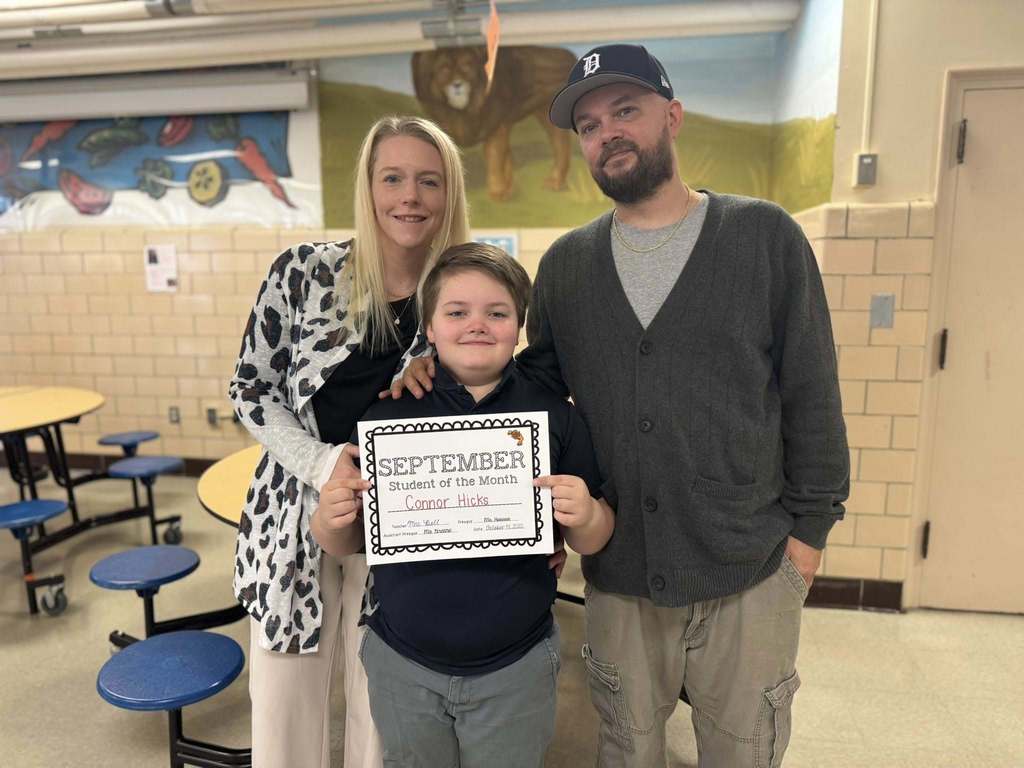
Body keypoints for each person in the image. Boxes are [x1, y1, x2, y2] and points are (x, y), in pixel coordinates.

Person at [398, 44, 850, 767]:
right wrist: (441, 363)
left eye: (625, 111)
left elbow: (812, 391)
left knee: (743, 749)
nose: (606, 132)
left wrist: (811, 535)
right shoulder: (568, 266)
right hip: (621, 573)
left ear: (672, 117)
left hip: (751, 565)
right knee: (627, 748)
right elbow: (532, 392)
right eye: (587, 125)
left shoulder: (764, 237)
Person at [228, 115, 470, 768]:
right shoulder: (304, 273)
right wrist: (323, 462)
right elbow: (250, 390)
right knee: (283, 717)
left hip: (404, 531)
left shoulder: (460, 295)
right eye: (392, 178)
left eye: (428, 181)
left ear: (450, 194)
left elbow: (487, 404)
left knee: (385, 716)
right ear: (367, 187)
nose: (409, 198)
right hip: (293, 522)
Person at [315, 242, 615, 768]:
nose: (477, 324)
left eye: (496, 313)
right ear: (428, 328)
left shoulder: (555, 417)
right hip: (402, 662)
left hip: (516, 663)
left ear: (520, 324)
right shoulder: (388, 415)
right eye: (456, 312)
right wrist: (329, 521)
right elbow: (350, 540)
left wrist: (588, 515)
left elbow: (594, 537)